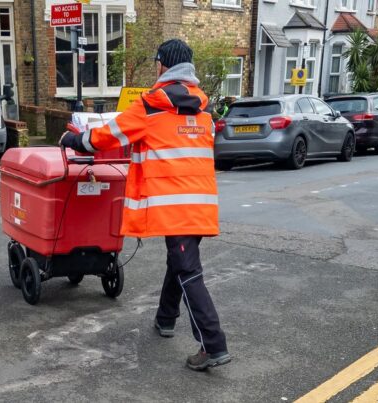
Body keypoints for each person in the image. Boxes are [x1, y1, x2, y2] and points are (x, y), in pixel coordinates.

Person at [60, 39, 230, 371]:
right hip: (200, 203)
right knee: (179, 262)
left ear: (163, 66)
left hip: (171, 206)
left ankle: (213, 344)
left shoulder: (150, 106)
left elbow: (104, 137)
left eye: (156, 63)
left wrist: (73, 140)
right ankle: (165, 319)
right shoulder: (205, 109)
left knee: (188, 271)